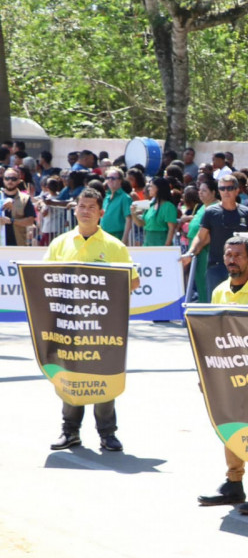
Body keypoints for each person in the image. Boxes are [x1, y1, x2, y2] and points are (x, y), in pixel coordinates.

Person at [45, 189, 140, 453]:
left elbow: (133, 281)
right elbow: (45, 280)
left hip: (103, 328)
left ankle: (107, 434)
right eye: (81, 206)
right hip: (68, 327)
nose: (85, 210)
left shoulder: (114, 246)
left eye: (91, 207)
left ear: (101, 212)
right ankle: (70, 432)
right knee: (69, 377)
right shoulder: (60, 243)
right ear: (75, 210)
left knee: (104, 377)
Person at [198, 236, 248, 516]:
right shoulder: (220, 291)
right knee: (231, 427)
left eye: (238, 255)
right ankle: (234, 483)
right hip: (227, 374)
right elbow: (213, 335)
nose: (232, 259)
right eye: (228, 254)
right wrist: (207, 375)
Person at [180, 175, 248, 300]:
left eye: (230, 188)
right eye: (222, 188)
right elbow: (200, 237)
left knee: (240, 304)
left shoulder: (246, 213)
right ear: (219, 191)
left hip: (241, 268)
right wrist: (190, 253)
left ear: (237, 190)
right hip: (216, 266)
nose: (226, 191)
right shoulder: (210, 212)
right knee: (215, 305)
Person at [136, 176, 178, 247]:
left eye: (151, 186)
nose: (149, 189)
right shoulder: (150, 205)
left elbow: (171, 229)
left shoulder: (169, 206)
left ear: (159, 189)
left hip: (161, 244)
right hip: (147, 244)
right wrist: (133, 214)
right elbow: (141, 224)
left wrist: (166, 247)